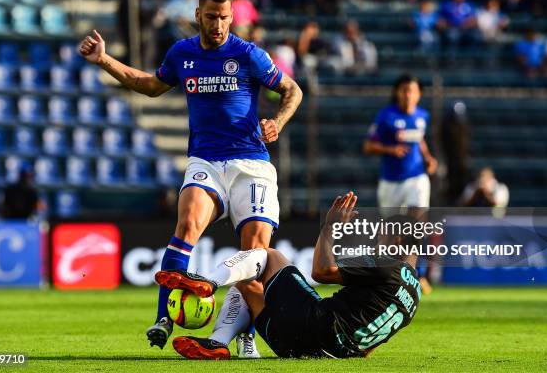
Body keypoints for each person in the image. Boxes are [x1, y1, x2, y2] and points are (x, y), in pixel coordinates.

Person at [78, 0, 303, 357]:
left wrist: (278, 122)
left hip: (251, 162)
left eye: (225, 18)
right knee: (186, 226)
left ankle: (242, 332)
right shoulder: (182, 53)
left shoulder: (249, 55)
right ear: (198, 14)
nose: (218, 25)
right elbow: (150, 86)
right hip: (206, 160)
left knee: (254, 253)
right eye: (212, 17)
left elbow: (292, 90)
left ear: (233, 17)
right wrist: (104, 60)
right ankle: (164, 318)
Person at [157, 192, 421, 359]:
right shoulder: (415, 294)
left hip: (310, 325)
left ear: (396, 238)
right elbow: (369, 348)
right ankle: (222, 343)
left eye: (381, 235)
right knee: (248, 283)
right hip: (302, 349)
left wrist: (329, 228)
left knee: (268, 256)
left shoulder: (388, 266)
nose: (376, 240)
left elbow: (321, 272)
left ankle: (209, 282)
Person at [362, 74, 437, 208]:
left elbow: (419, 139)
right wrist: (391, 150)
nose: (408, 95)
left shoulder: (423, 115)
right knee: (393, 227)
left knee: (416, 221)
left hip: (417, 176)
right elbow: (368, 146)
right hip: (391, 181)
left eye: (412, 91)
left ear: (419, 94)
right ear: (396, 93)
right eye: (404, 90)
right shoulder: (385, 116)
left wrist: (427, 157)